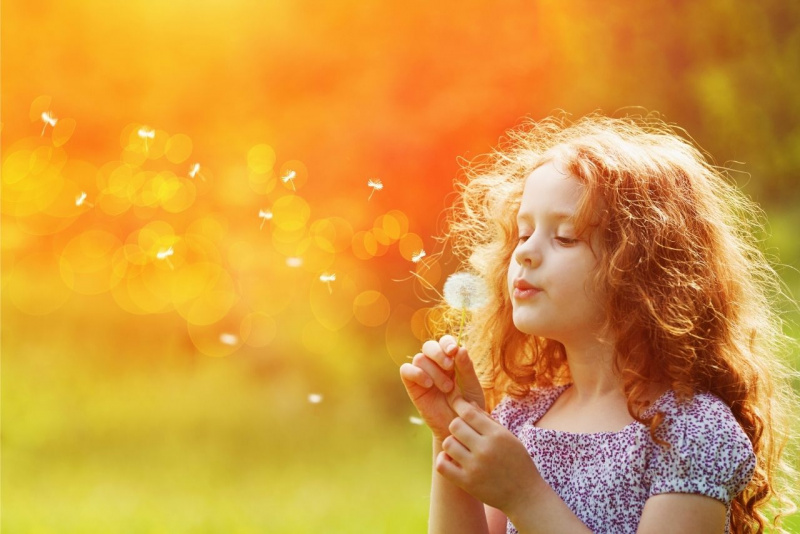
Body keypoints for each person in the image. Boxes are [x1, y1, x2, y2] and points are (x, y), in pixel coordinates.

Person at [399, 114, 799, 534]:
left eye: (565, 237)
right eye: (523, 232)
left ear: (641, 269)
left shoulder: (690, 431)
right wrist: (451, 434)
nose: (526, 254)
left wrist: (526, 496)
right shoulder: (520, 421)